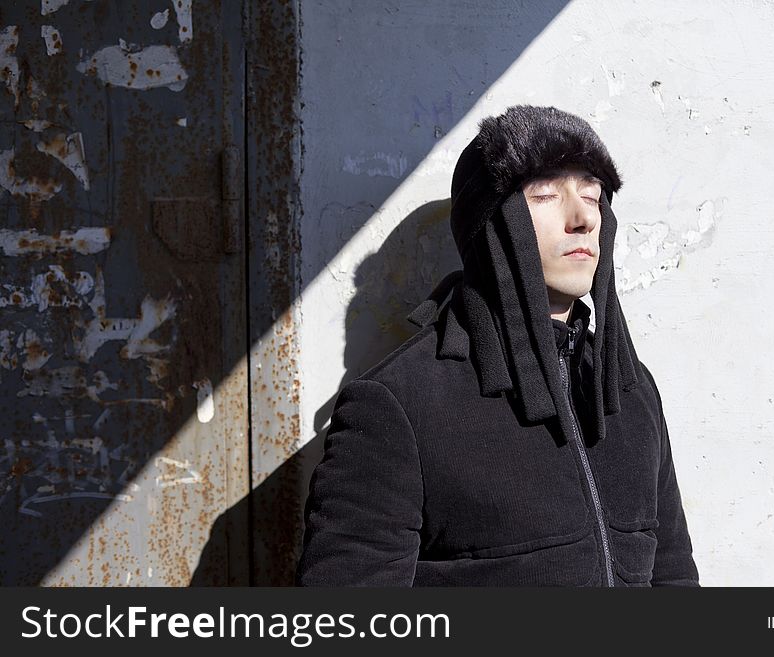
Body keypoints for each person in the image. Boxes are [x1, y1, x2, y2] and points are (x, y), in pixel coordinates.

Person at [295, 104, 700, 587]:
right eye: (545, 194)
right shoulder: (401, 402)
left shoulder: (630, 390)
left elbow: (673, 576)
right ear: (488, 224)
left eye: (593, 195)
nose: (581, 218)